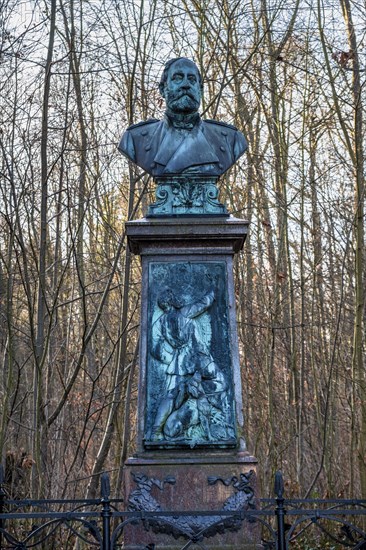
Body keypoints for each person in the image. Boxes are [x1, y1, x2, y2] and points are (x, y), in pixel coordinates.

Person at [118, 58, 247, 177]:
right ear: (163, 89)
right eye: (178, 78)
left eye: (191, 79)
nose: (186, 84)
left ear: (200, 90)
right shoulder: (135, 139)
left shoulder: (230, 139)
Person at [149, 288, 229, 444]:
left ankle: (155, 432)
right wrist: (212, 292)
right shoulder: (183, 313)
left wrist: (169, 357)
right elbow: (202, 304)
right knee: (219, 382)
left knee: (171, 396)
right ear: (170, 302)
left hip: (177, 362)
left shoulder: (161, 322)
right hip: (196, 358)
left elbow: (155, 348)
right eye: (173, 297)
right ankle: (215, 421)